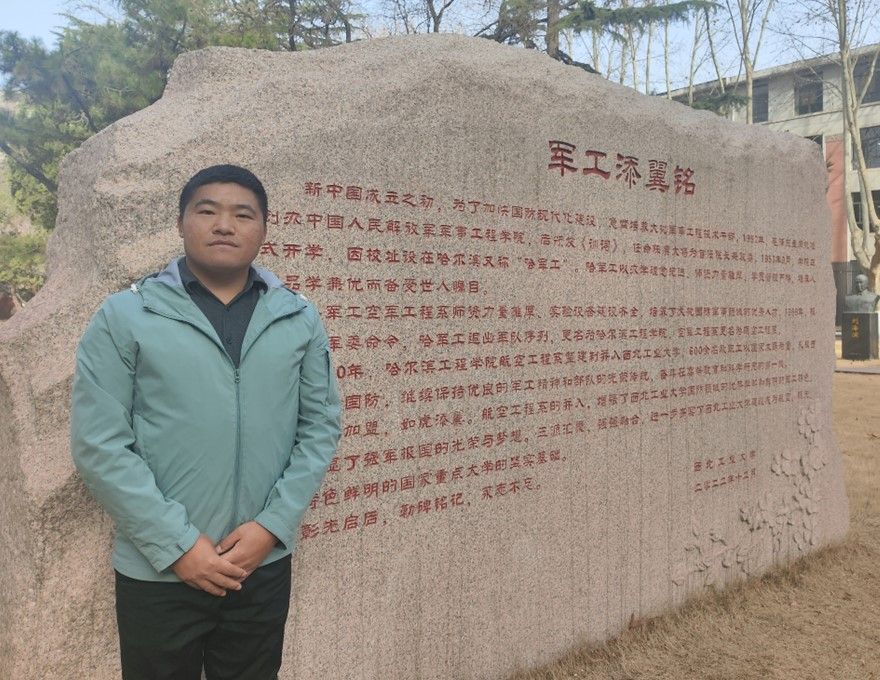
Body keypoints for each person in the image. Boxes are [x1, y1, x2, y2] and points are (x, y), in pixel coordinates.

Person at [70, 164, 342, 680]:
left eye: (243, 214)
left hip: (257, 565)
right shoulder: (126, 315)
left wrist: (272, 526)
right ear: (180, 223)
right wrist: (175, 545)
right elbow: (99, 444)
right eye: (207, 211)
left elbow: (319, 427)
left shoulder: (298, 317)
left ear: (263, 228)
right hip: (159, 570)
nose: (224, 225)